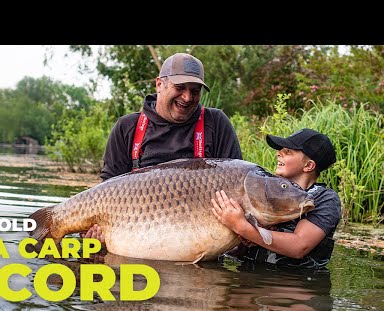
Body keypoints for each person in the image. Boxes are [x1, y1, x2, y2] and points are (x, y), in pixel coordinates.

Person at [83, 52, 242, 240]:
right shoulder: (128, 127)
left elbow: (236, 181)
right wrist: (96, 230)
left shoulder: (215, 123)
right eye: (180, 87)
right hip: (136, 236)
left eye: (195, 91)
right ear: (160, 84)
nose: (187, 97)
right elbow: (108, 188)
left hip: (199, 237)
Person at [211, 128, 341, 269]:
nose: (279, 154)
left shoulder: (326, 199)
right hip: (249, 276)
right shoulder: (265, 193)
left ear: (309, 165)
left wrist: (242, 227)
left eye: (288, 152)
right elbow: (239, 251)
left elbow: (299, 246)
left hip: (294, 281)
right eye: (281, 151)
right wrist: (246, 239)